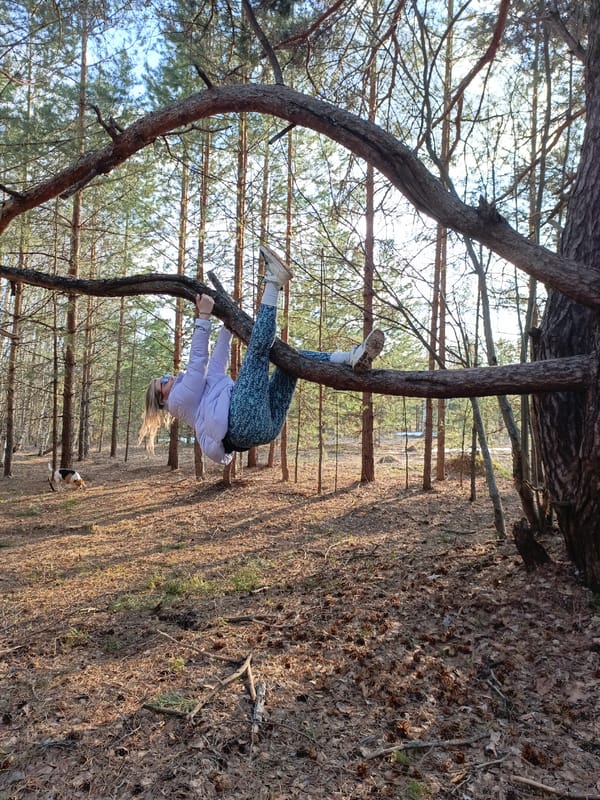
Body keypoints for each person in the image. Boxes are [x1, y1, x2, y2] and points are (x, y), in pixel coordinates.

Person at [138, 244, 385, 465]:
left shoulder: (202, 396)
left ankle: (351, 358)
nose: (167, 377)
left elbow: (215, 368)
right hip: (240, 421)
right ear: (162, 399)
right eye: (162, 382)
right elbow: (197, 364)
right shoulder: (179, 401)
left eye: (163, 376)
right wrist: (203, 318)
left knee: (292, 361)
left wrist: (226, 328)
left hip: (264, 429)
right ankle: (273, 282)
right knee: (258, 351)